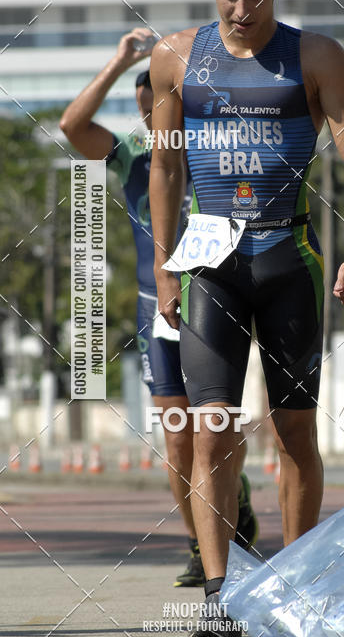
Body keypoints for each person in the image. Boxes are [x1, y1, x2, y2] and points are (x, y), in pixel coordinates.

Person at [149, 0, 344, 637]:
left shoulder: (315, 55)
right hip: (210, 266)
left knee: (293, 434)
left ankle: (300, 584)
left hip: (291, 262)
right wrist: (162, 267)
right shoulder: (176, 58)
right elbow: (163, 167)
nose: (239, 9)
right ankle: (220, 601)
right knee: (211, 428)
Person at [59, 33, 257, 588]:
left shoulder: (212, 147)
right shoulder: (132, 155)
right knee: (177, 433)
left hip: (215, 295)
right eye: (147, 111)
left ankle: (233, 505)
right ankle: (201, 540)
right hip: (158, 308)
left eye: (164, 107)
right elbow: (73, 128)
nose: (155, 119)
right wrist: (121, 58)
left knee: (217, 426)